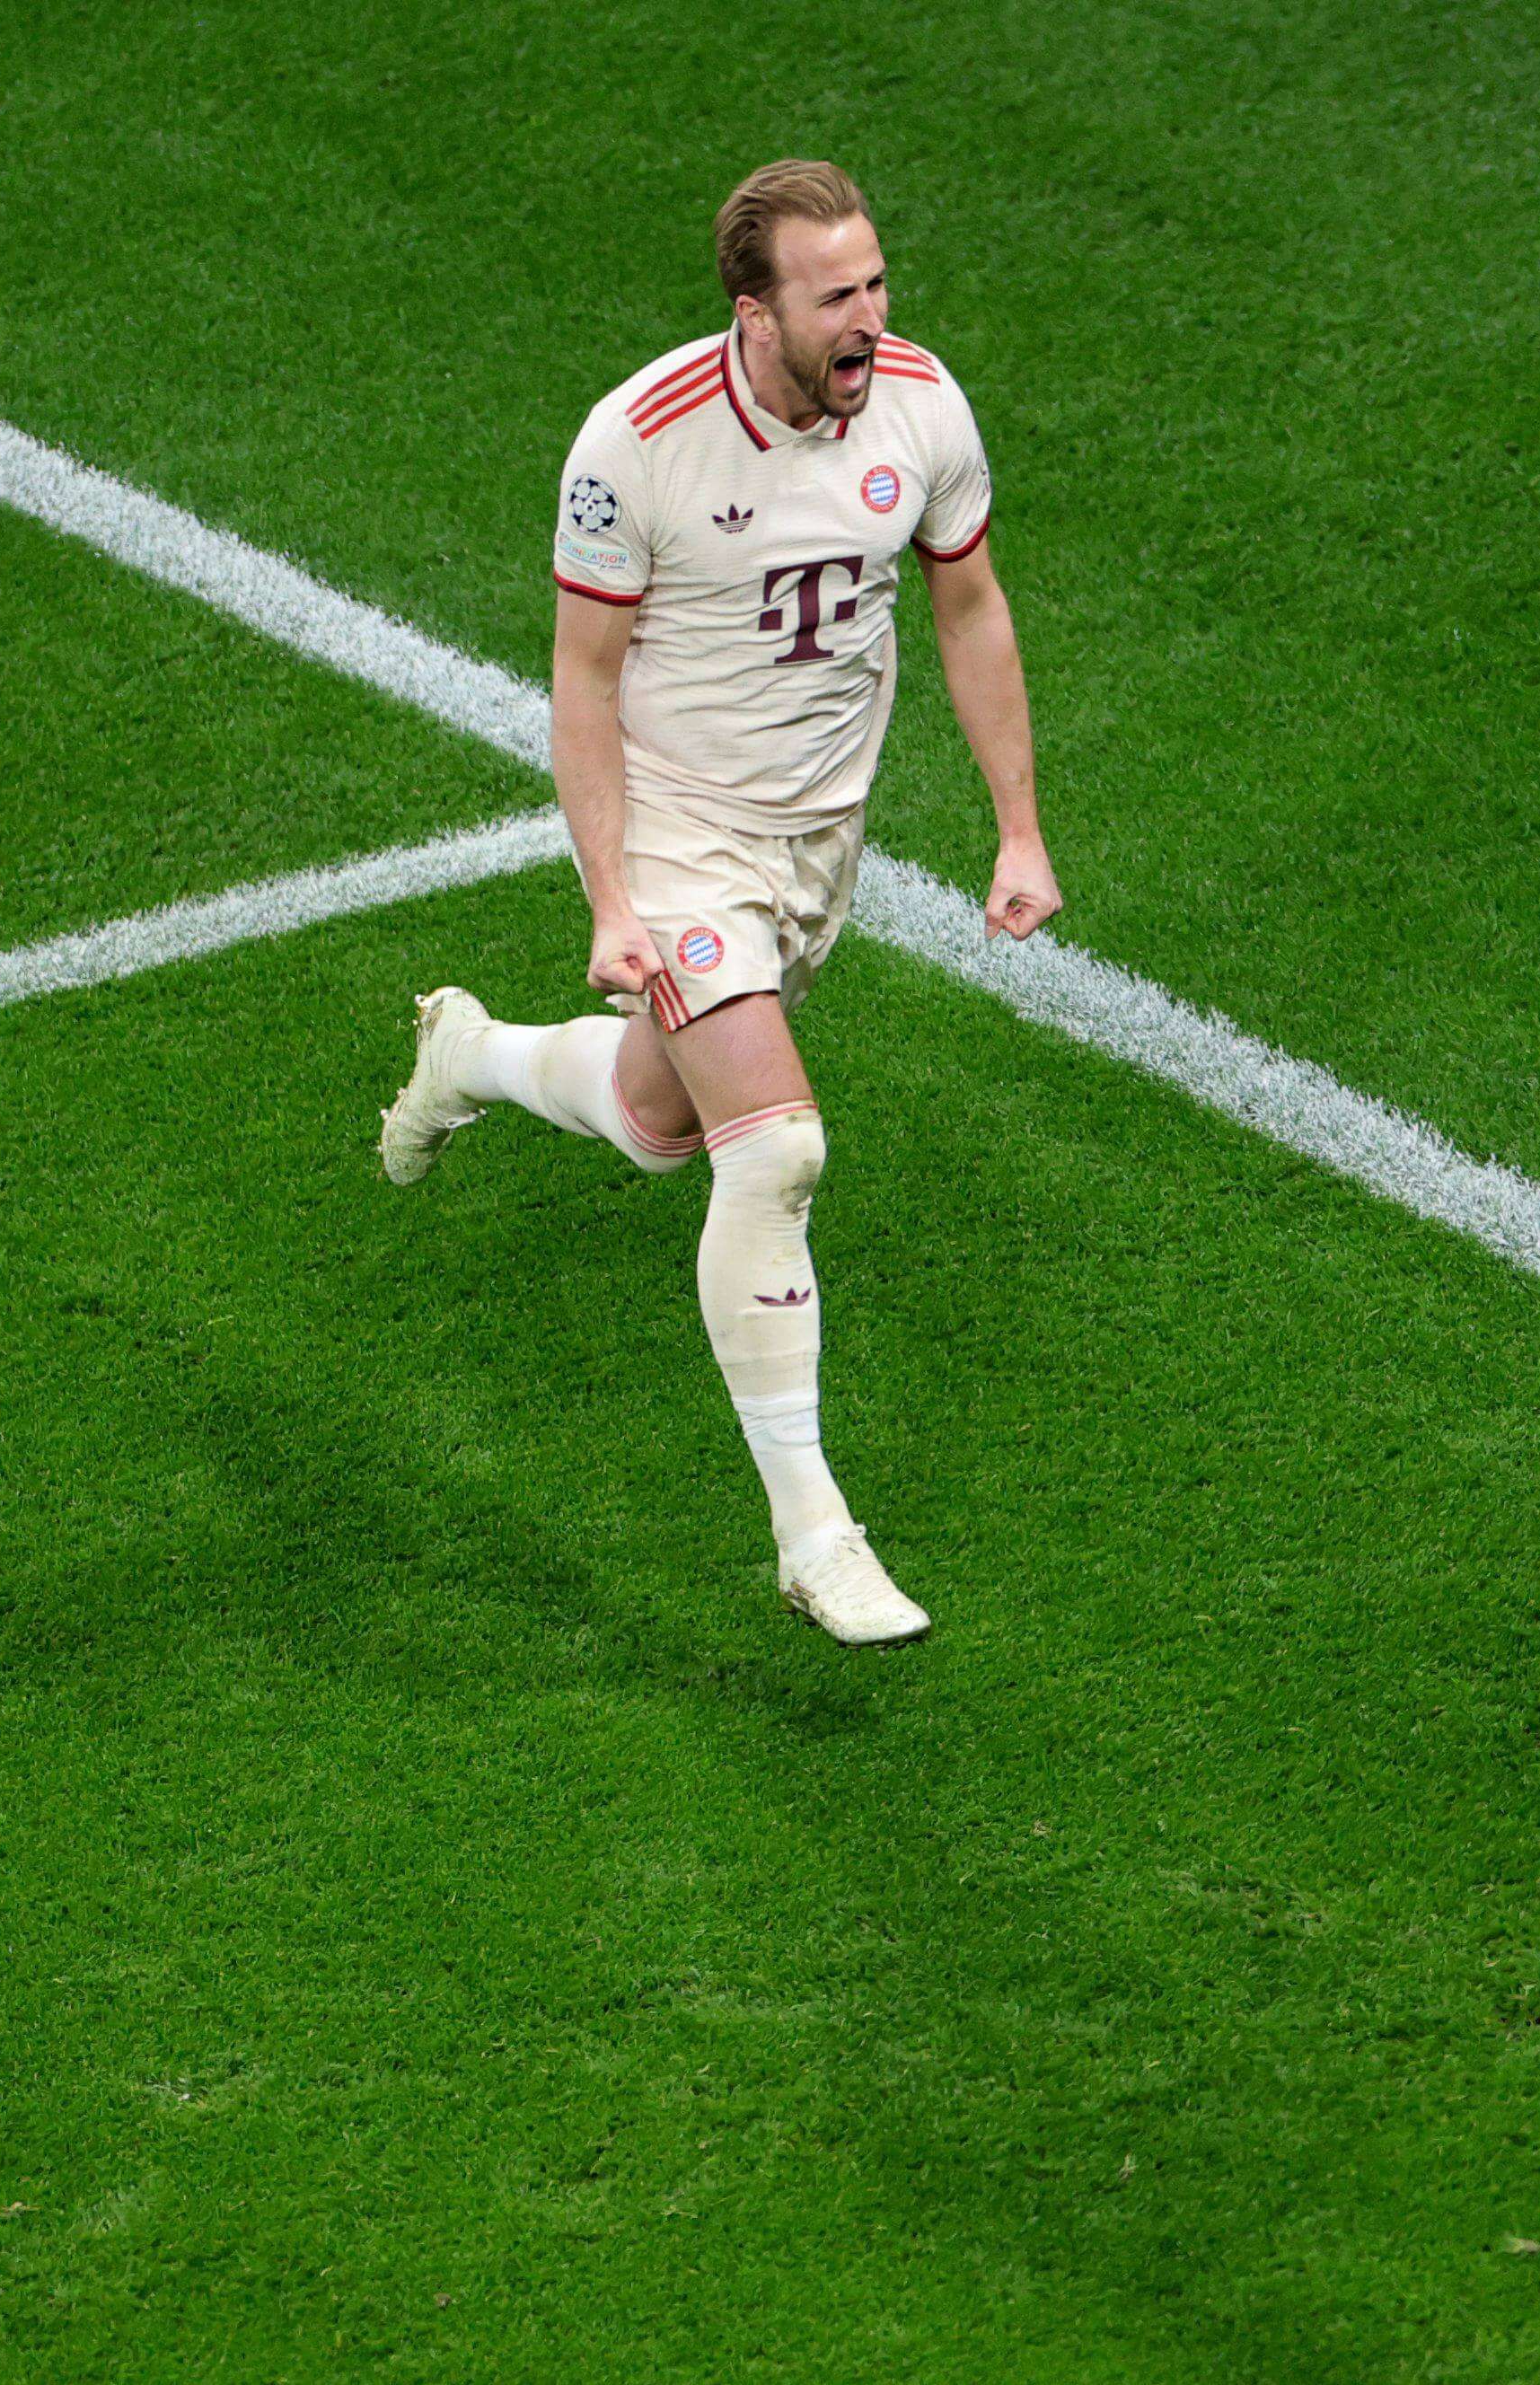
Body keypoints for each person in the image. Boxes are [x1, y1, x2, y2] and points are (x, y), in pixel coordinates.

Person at [377, 157, 1059, 1646]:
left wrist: (1020, 830)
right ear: (754, 310)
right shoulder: (641, 443)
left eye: (878, 283)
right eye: (837, 298)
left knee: (656, 1123)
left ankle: (472, 1056)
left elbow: (971, 606)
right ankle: (816, 1534)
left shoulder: (924, 405)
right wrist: (614, 896)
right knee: (779, 1150)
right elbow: (583, 679)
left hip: (819, 848)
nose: (870, 318)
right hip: (684, 838)